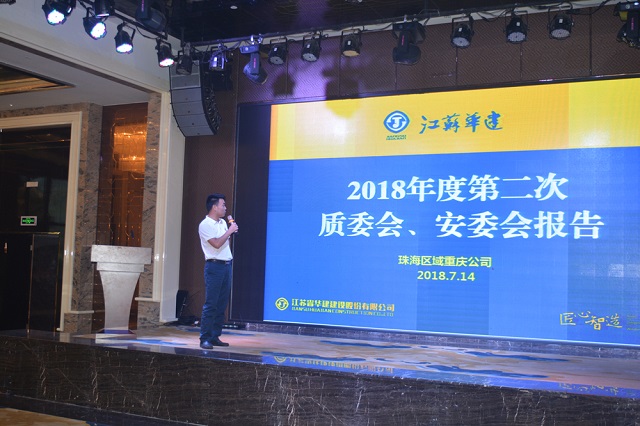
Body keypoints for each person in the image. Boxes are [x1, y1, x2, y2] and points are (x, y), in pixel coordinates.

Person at [198, 193, 238, 349]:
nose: (225, 208)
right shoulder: (205, 224)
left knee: (221, 304)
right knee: (211, 304)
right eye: (223, 205)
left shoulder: (222, 222)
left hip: (226, 265)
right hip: (214, 267)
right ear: (214, 207)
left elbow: (224, 243)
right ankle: (205, 338)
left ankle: (215, 336)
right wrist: (230, 231)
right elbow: (216, 244)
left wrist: (228, 230)